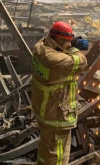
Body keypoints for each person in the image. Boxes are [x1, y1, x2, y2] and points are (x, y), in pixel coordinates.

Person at [31, 21, 89, 165]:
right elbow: (81, 61)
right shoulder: (55, 61)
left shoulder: (40, 47)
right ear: (58, 40)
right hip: (56, 116)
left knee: (46, 150)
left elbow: (58, 47)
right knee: (58, 156)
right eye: (67, 42)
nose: (69, 45)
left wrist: (68, 42)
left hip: (43, 110)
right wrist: (76, 48)